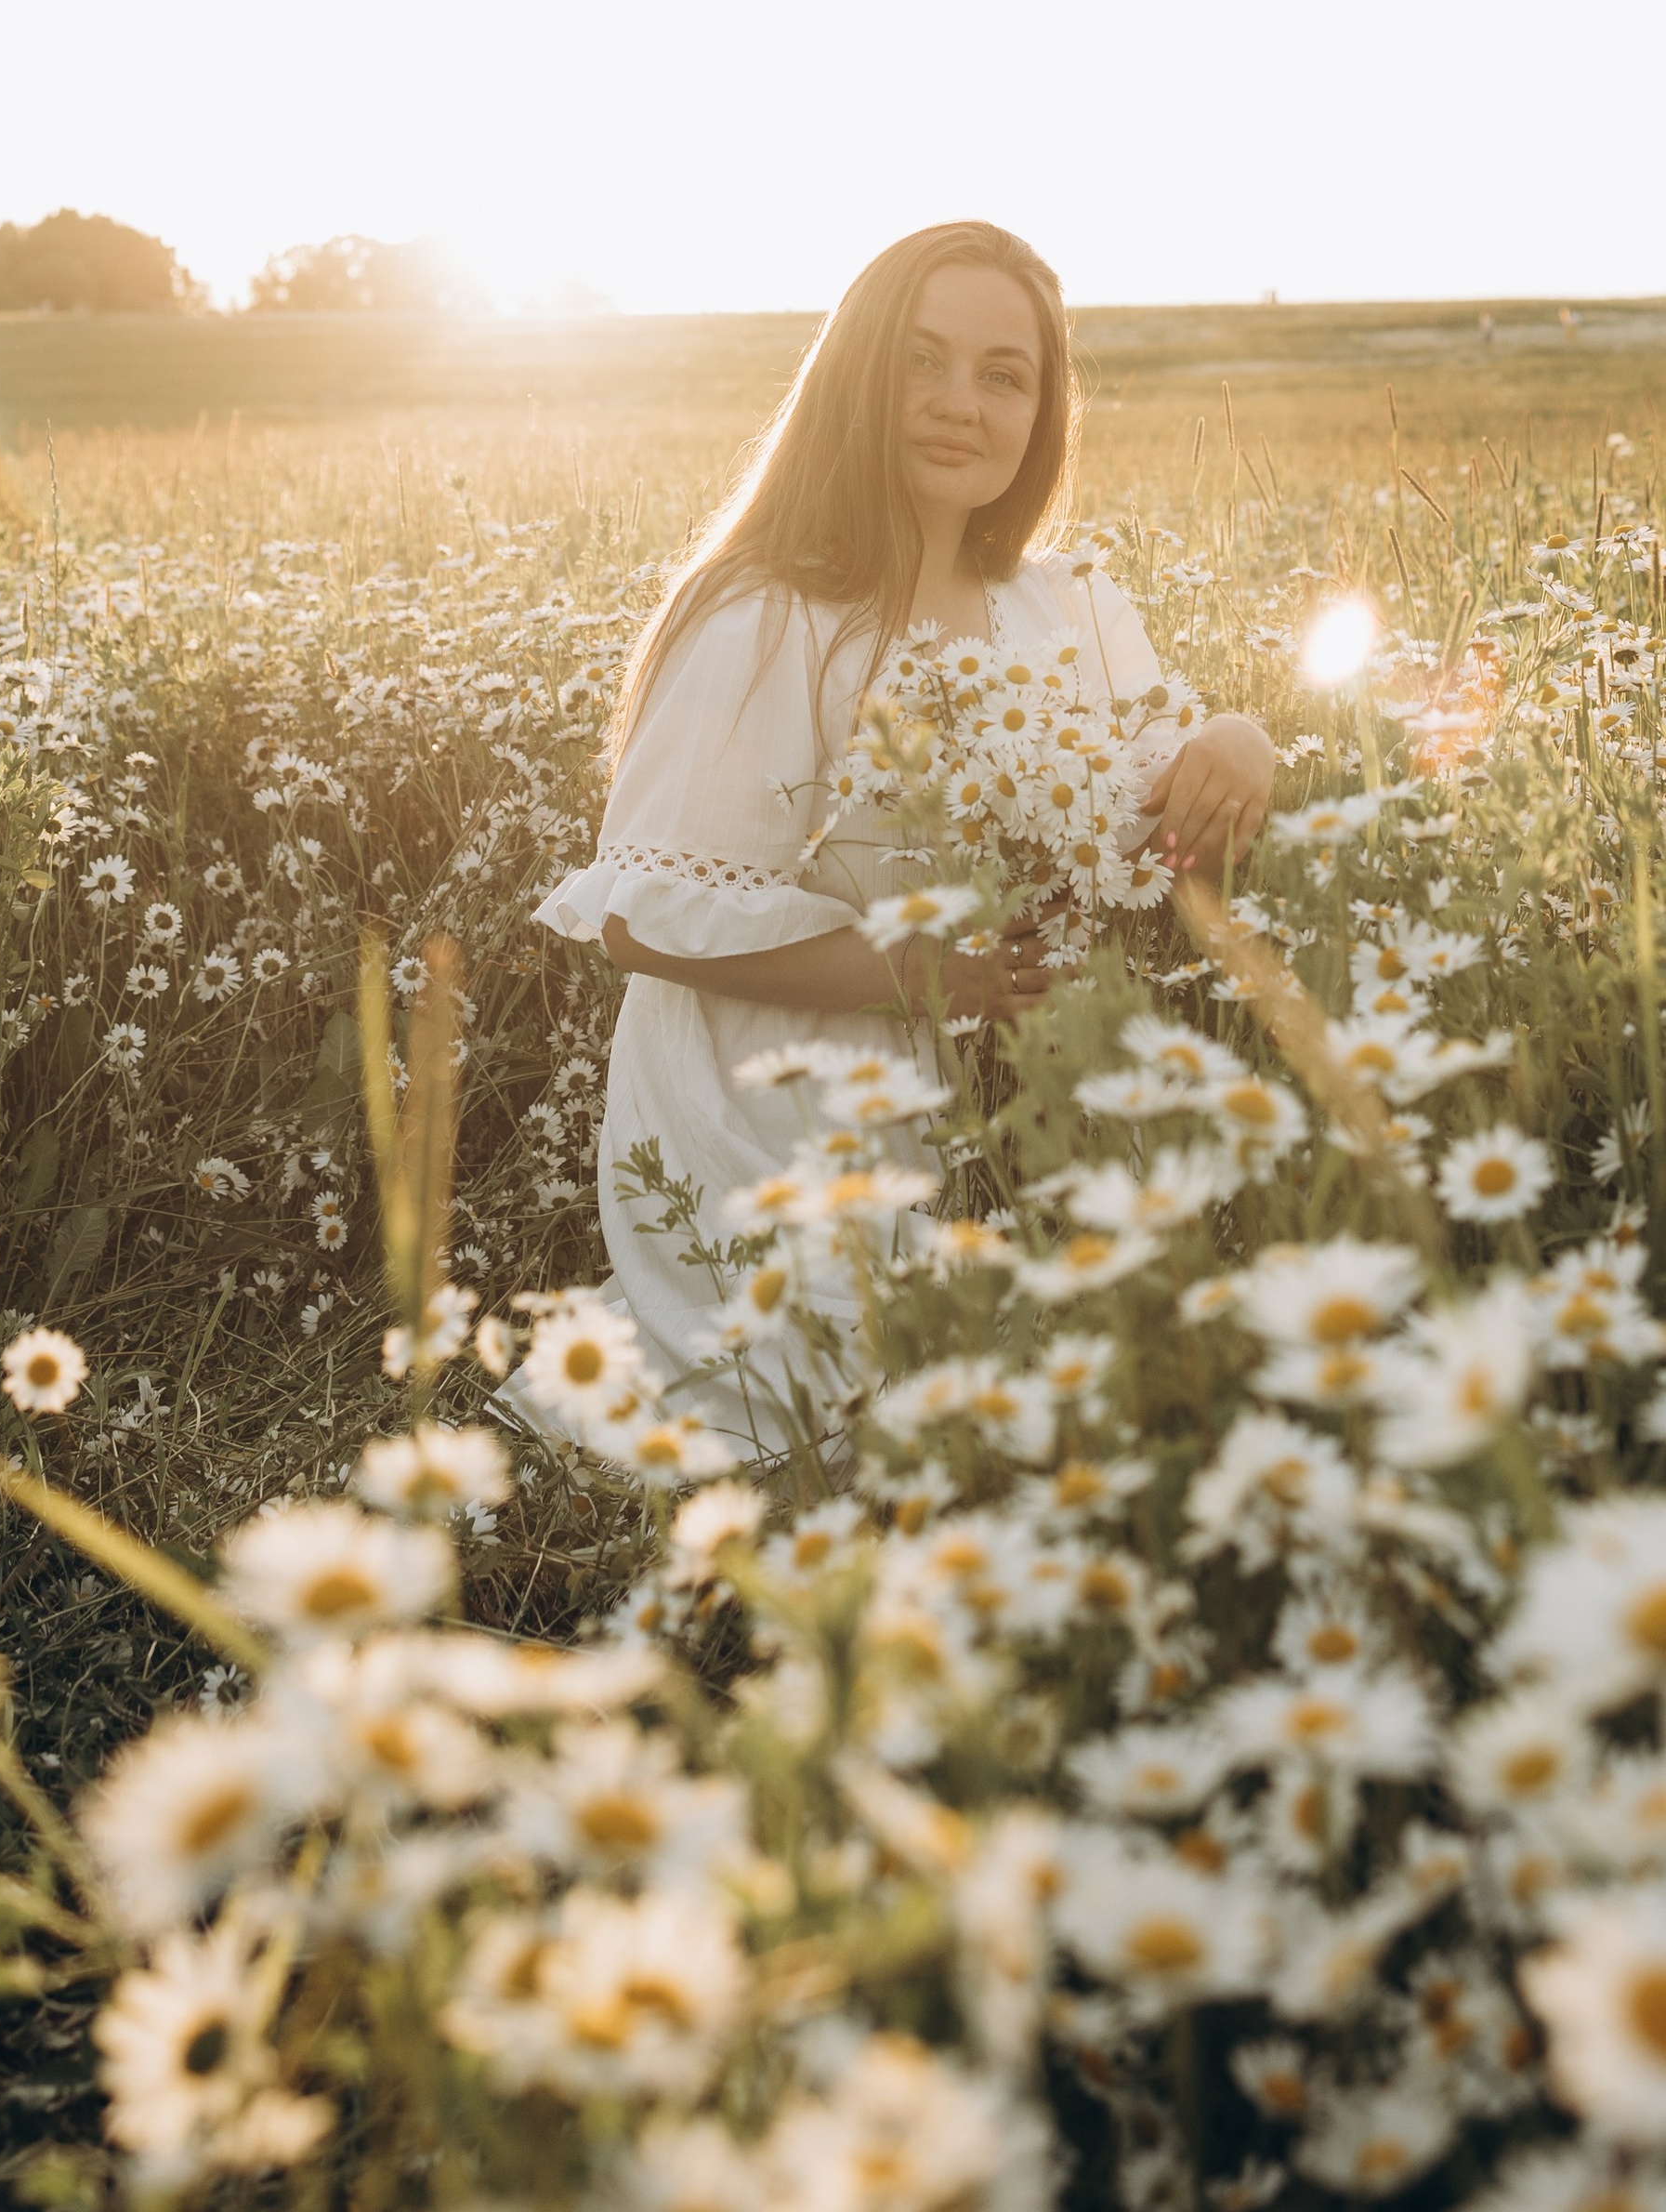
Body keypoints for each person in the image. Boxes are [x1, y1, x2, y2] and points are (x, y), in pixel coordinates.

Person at [531, 220, 1278, 1423]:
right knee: (863, 1409)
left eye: (1003, 375)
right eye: (920, 361)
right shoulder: (767, 616)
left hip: (1022, 1086)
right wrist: (937, 981)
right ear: (857, 376)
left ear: (1043, 413)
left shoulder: (1068, 607)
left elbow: (1168, 811)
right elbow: (642, 931)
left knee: (1116, 1379)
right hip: (784, 1098)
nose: (957, 404)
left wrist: (1239, 742)